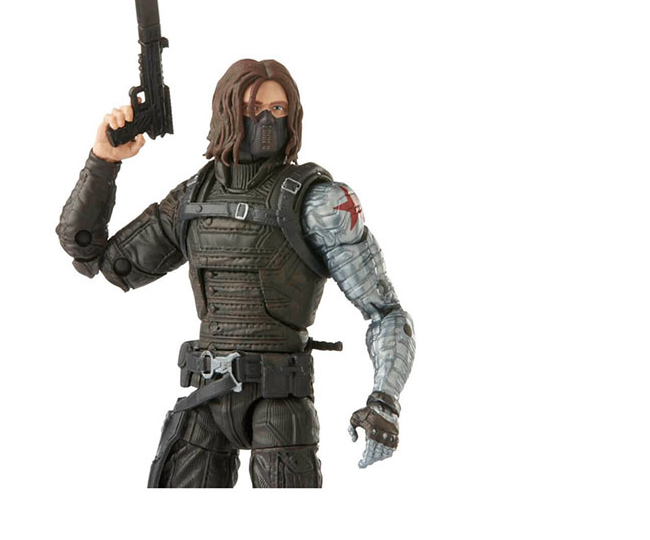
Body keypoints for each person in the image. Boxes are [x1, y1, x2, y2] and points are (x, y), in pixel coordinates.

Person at [57, 59, 415, 488]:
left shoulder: (320, 203)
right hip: (208, 395)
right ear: (226, 112)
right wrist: (103, 160)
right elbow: (94, 257)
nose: (266, 120)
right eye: (252, 108)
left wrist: (385, 402)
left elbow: (386, 313)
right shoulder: (193, 196)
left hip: (281, 401)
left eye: (278, 109)